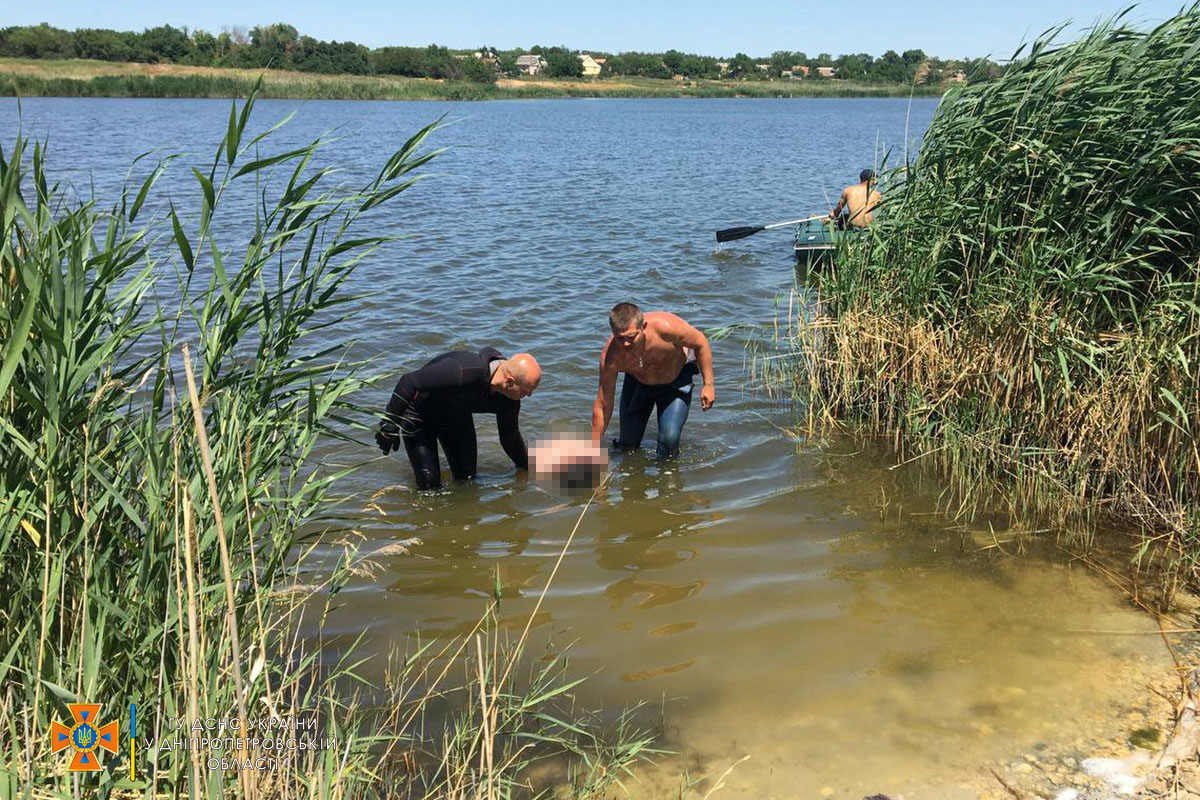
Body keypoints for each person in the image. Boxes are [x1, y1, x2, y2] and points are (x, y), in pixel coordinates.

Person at [376, 348, 541, 490]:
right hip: (420, 413)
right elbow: (410, 381)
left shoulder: (509, 400)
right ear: (510, 382)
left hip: (455, 415)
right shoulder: (464, 371)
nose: (529, 396)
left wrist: (528, 469)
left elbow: (509, 437)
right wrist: (389, 425)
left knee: (467, 480)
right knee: (429, 486)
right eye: (527, 391)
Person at [591, 302, 714, 459]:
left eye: (631, 337)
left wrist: (708, 385)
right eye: (619, 339)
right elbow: (603, 405)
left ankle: (667, 477)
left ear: (643, 326)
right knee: (627, 446)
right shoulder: (611, 356)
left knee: (668, 442)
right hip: (638, 383)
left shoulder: (666, 327)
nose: (625, 344)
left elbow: (701, 343)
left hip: (675, 382)